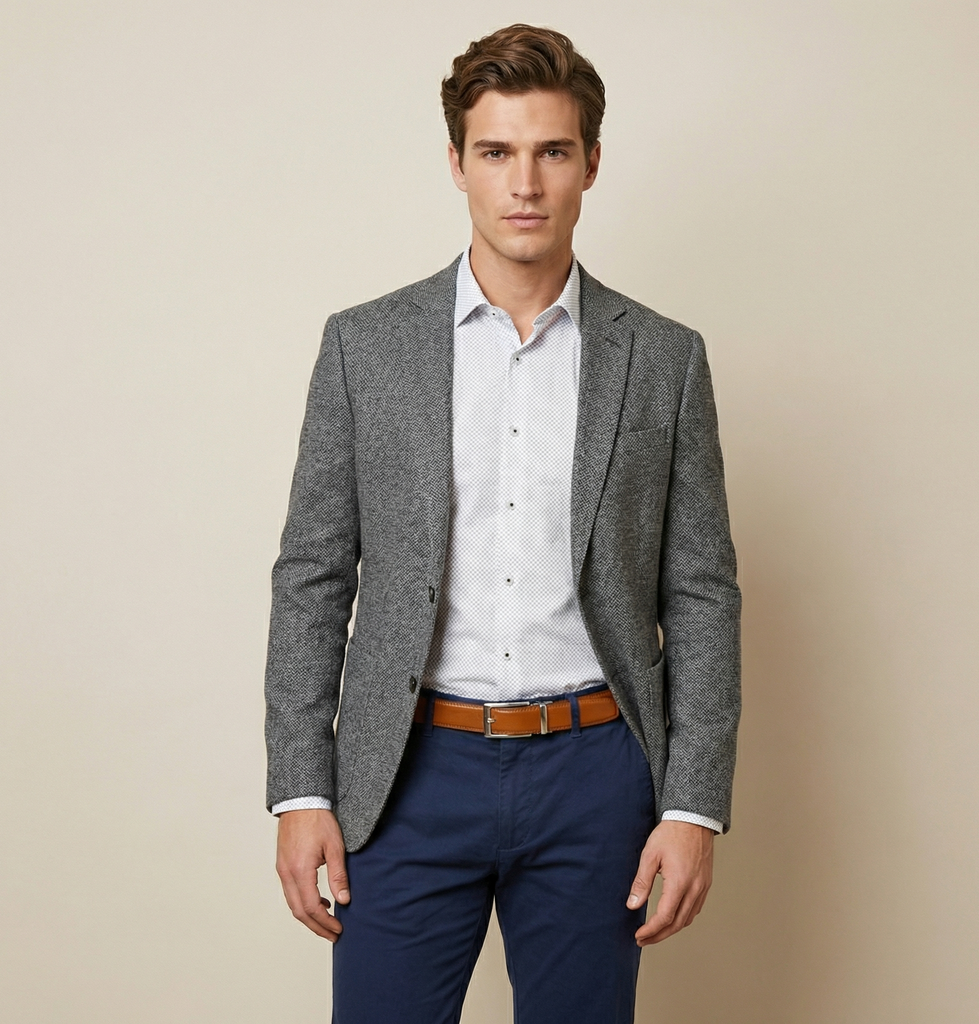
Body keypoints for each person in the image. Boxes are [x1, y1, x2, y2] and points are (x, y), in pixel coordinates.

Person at [265, 23, 740, 1024]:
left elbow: (699, 592)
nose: (524, 183)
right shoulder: (365, 347)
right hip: (406, 772)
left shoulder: (664, 359)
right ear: (457, 163)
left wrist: (692, 804)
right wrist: (301, 790)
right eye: (496, 152)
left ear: (591, 163)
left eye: (551, 151)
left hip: (595, 774)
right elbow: (313, 574)